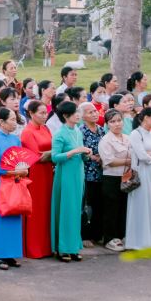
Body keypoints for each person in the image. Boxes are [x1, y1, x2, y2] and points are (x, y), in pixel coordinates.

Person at [50, 101, 91, 262]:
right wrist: (75, 151)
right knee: (66, 210)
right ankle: (63, 248)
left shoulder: (77, 132)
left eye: (78, 112)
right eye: (75, 113)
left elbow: (80, 154)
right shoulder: (60, 134)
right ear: (66, 115)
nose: (78, 115)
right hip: (65, 175)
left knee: (75, 211)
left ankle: (73, 246)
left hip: (78, 174)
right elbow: (55, 157)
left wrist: (85, 154)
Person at [0, 108, 27, 270]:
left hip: (15, 181)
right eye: (12, 120)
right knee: (0, 216)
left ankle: (10, 253)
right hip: (0, 183)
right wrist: (15, 172)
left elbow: (20, 160)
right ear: (1, 122)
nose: (15, 123)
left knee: (14, 215)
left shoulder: (15, 139)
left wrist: (22, 170)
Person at [125, 107, 151, 251]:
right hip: (141, 173)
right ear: (146, 118)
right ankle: (138, 242)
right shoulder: (135, 134)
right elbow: (141, 156)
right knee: (141, 205)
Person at [20, 101, 54, 258]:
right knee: (36, 209)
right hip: (36, 173)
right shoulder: (28, 132)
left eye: (46, 112)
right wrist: (55, 153)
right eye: (41, 113)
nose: (45, 116)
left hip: (48, 171)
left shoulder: (45, 128)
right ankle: (35, 247)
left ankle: (46, 246)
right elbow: (36, 156)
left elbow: (50, 150)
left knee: (47, 208)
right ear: (31, 114)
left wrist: (52, 153)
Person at [97, 110, 130, 252]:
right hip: (111, 178)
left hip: (126, 177)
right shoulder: (106, 140)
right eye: (112, 121)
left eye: (119, 120)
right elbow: (109, 161)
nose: (117, 124)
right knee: (111, 209)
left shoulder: (127, 138)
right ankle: (109, 238)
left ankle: (122, 235)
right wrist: (128, 161)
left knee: (124, 207)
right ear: (107, 124)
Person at [79, 102, 105, 246]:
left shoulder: (101, 130)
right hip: (87, 173)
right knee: (87, 205)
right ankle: (86, 236)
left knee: (99, 204)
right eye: (90, 112)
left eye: (95, 111)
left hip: (101, 171)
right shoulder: (81, 131)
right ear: (82, 116)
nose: (94, 114)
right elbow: (80, 150)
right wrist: (93, 157)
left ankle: (97, 234)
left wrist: (103, 157)